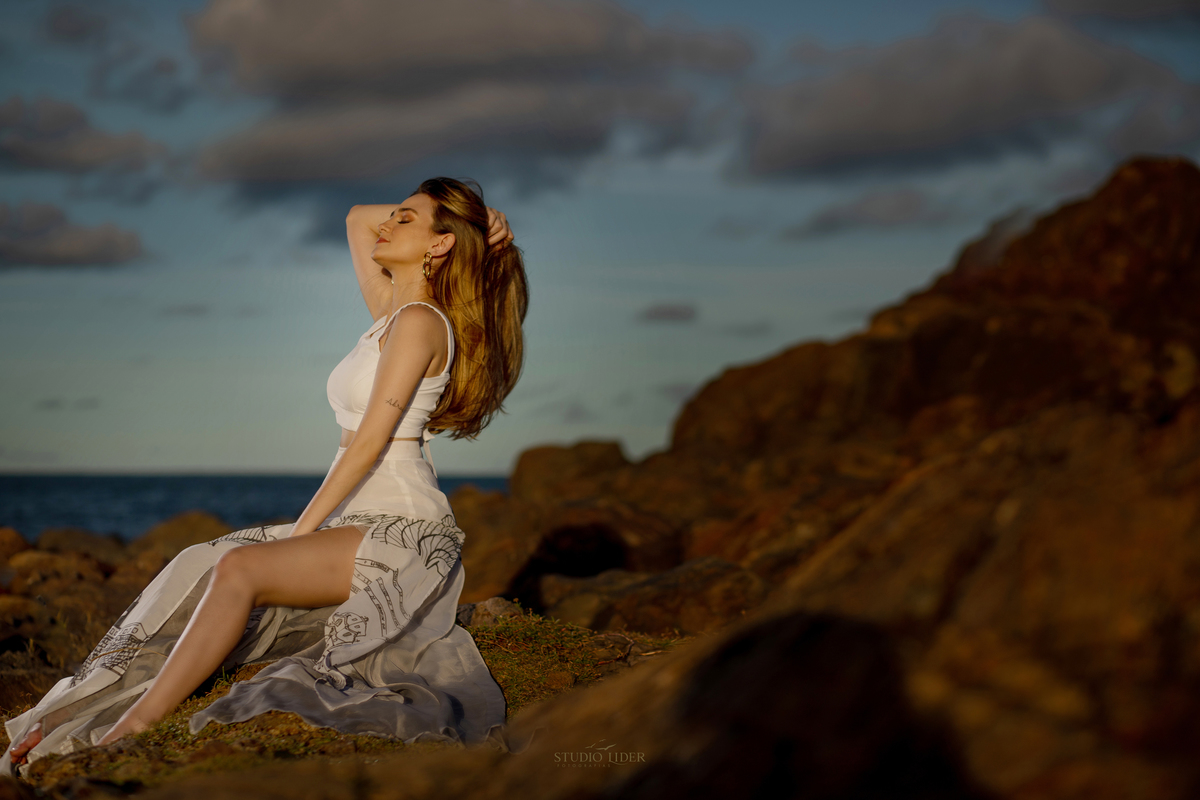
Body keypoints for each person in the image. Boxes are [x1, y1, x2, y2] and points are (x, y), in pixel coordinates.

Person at [4, 177, 527, 773]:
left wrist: (303, 529)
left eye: (406, 220)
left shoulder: (420, 324)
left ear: (439, 245)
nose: (387, 226)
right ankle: (84, 706)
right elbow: (358, 215)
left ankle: (134, 725)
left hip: (400, 525)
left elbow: (371, 445)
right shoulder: (391, 311)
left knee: (239, 568)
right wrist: (479, 222)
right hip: (360, 513)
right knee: (198, 562)